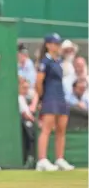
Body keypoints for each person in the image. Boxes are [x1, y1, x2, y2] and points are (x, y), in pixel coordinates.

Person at [35, 33, 75, 171]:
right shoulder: (45, 62)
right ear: (48, 45)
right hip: (50, 97)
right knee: (46, 129)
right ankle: (42, 160)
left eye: (58, 43)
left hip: (60, 97)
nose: (57, 46)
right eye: (55, 43)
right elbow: (39, 82)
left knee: (61, 129)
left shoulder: (58, 61)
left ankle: (59, 159)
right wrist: (42, 97)